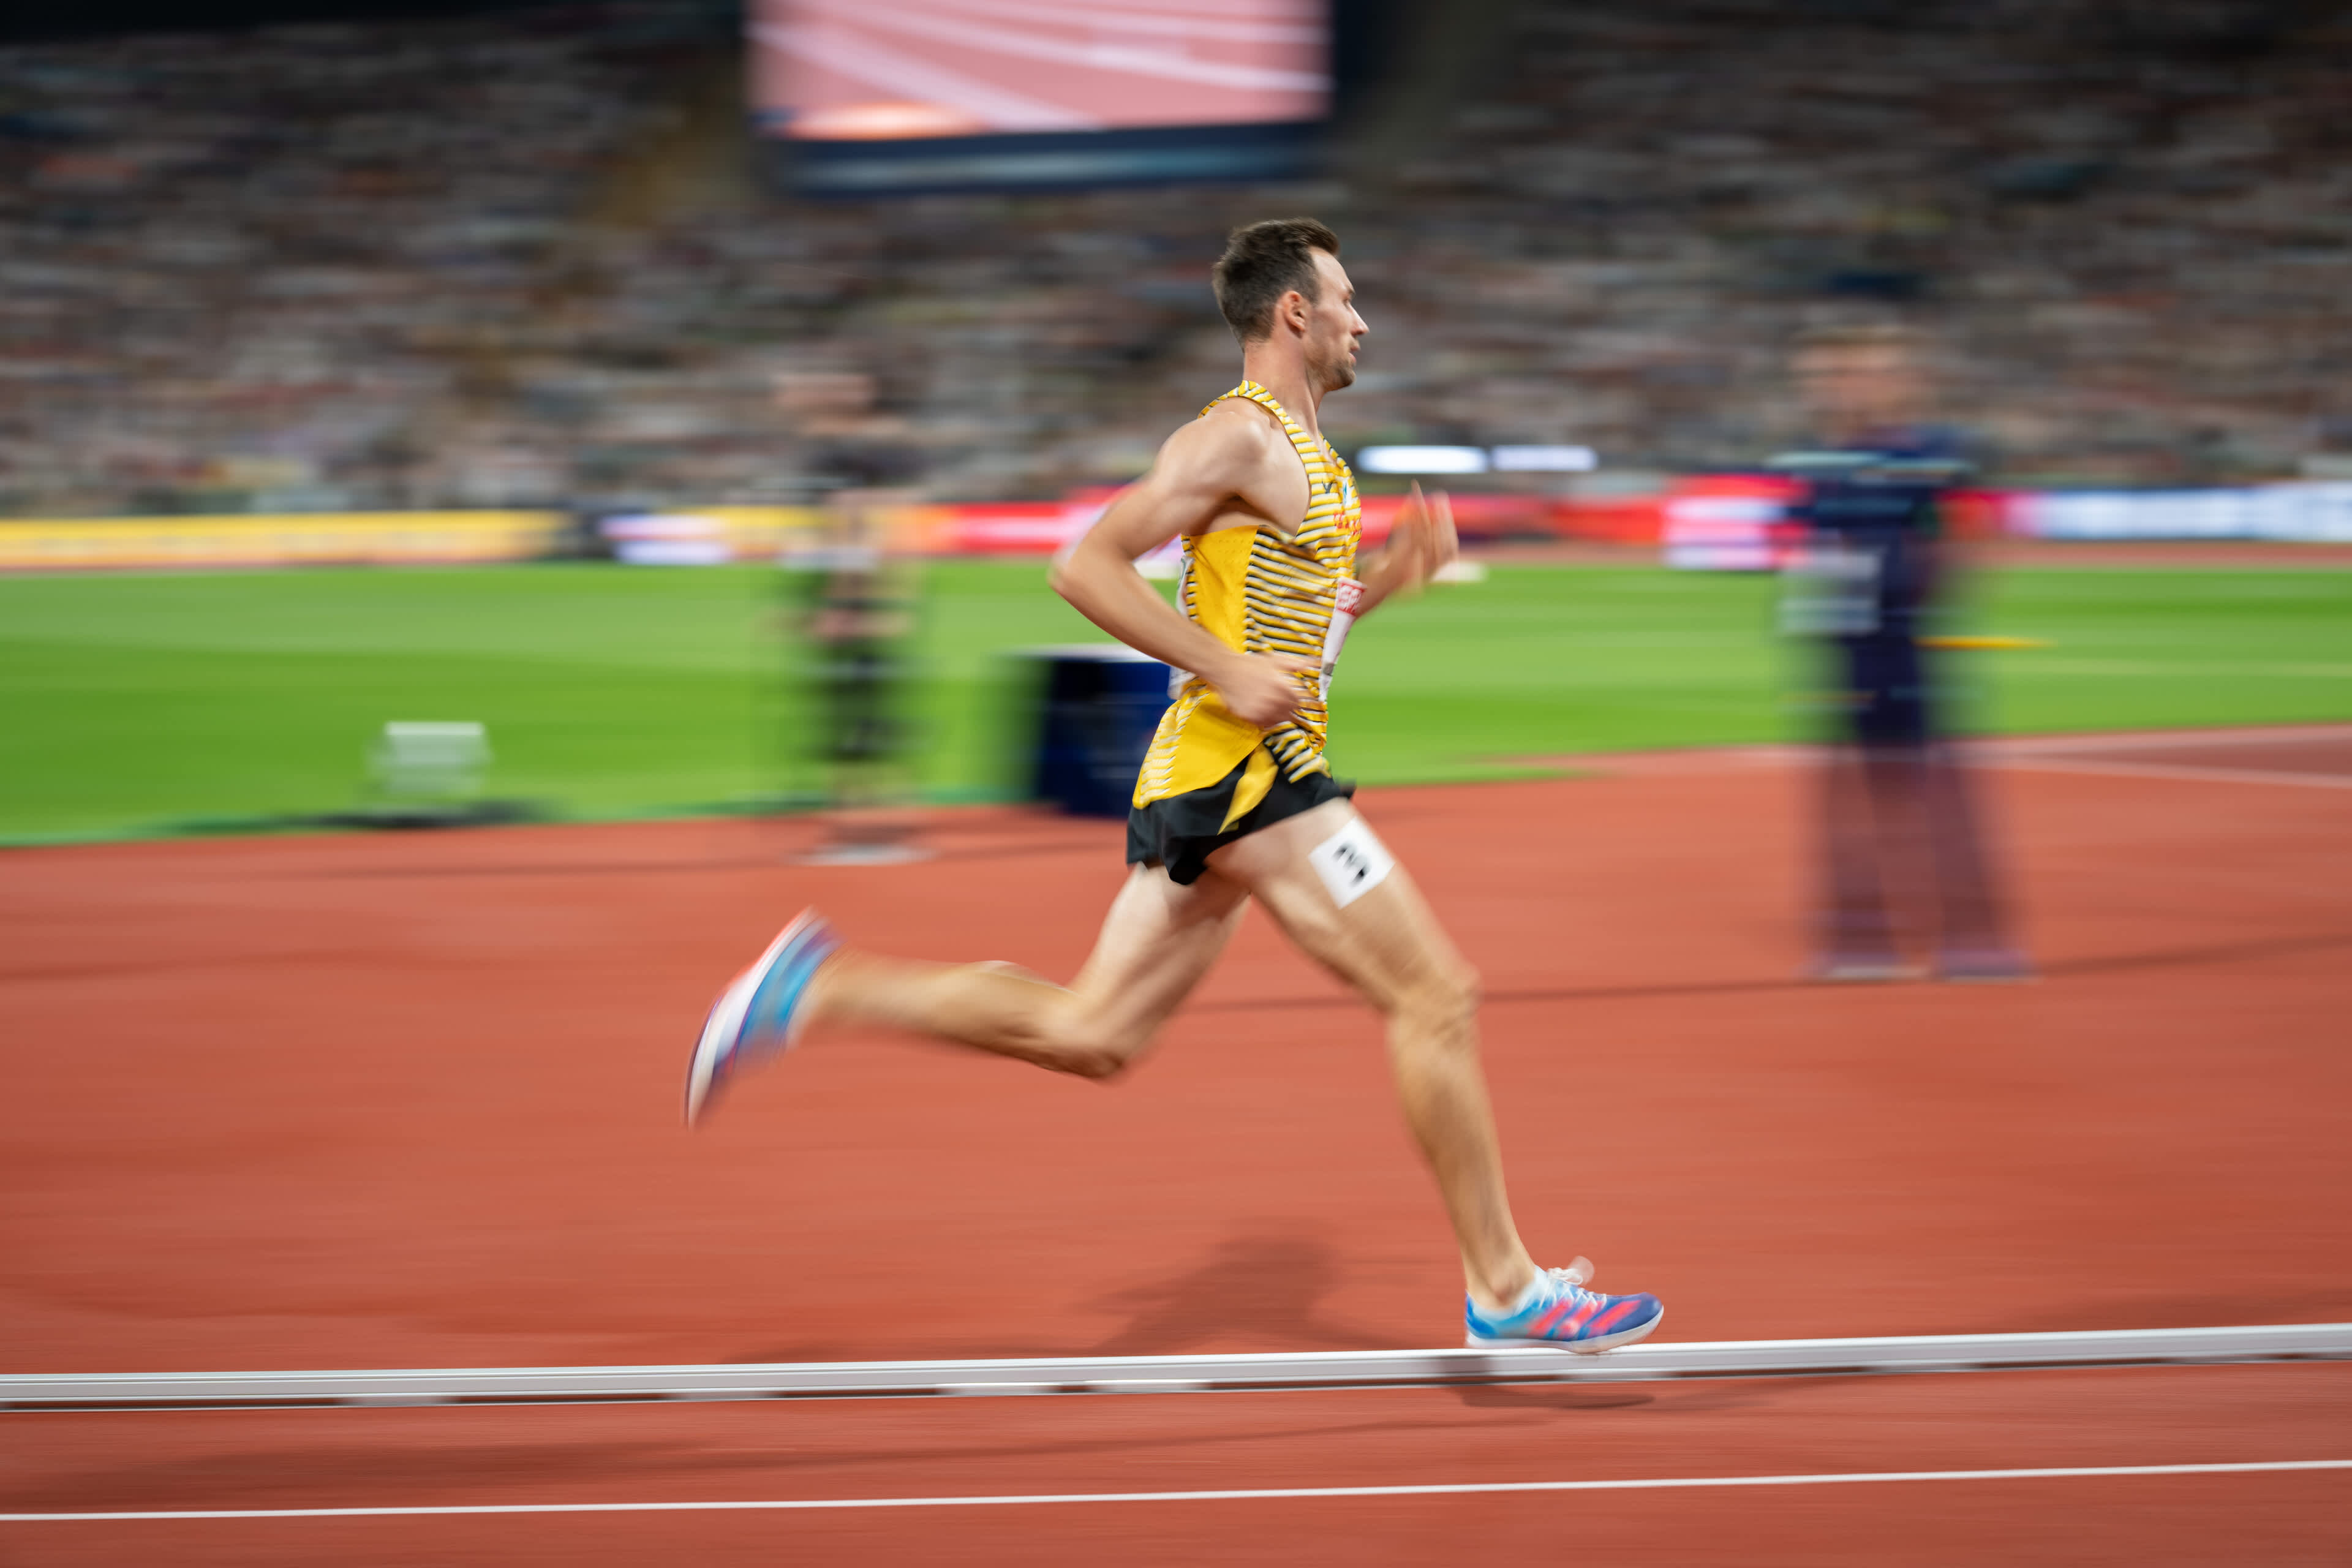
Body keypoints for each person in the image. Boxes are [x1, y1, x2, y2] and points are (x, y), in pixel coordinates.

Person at [684, 219, 1664, 1354]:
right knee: (1435, 995)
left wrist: (1385, 584)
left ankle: (821, 986)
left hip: (1221, 777)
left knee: (1094, 1033)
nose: (1361, 320)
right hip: (1252, 777)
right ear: (1293, 311)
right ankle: (1505, 1288)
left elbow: (1291, 637)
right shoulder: (1236, 438)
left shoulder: (1311, 459)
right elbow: (1084, 566)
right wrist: (1223, 669)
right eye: (1346, 299)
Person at [1777, 322, 2027, 982]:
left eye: (1857, 374)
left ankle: (1975, 940)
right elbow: (1811, 547)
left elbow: (1977, 531)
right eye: (1827, 378)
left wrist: (1939, 589)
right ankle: (1860, 942)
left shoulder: (1936, 451)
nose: (1840, 388)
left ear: (1896, 381)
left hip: (1914, 643)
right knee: (1850, 798)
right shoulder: (1821, 463)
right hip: (1847, 647)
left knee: (1941, 793)